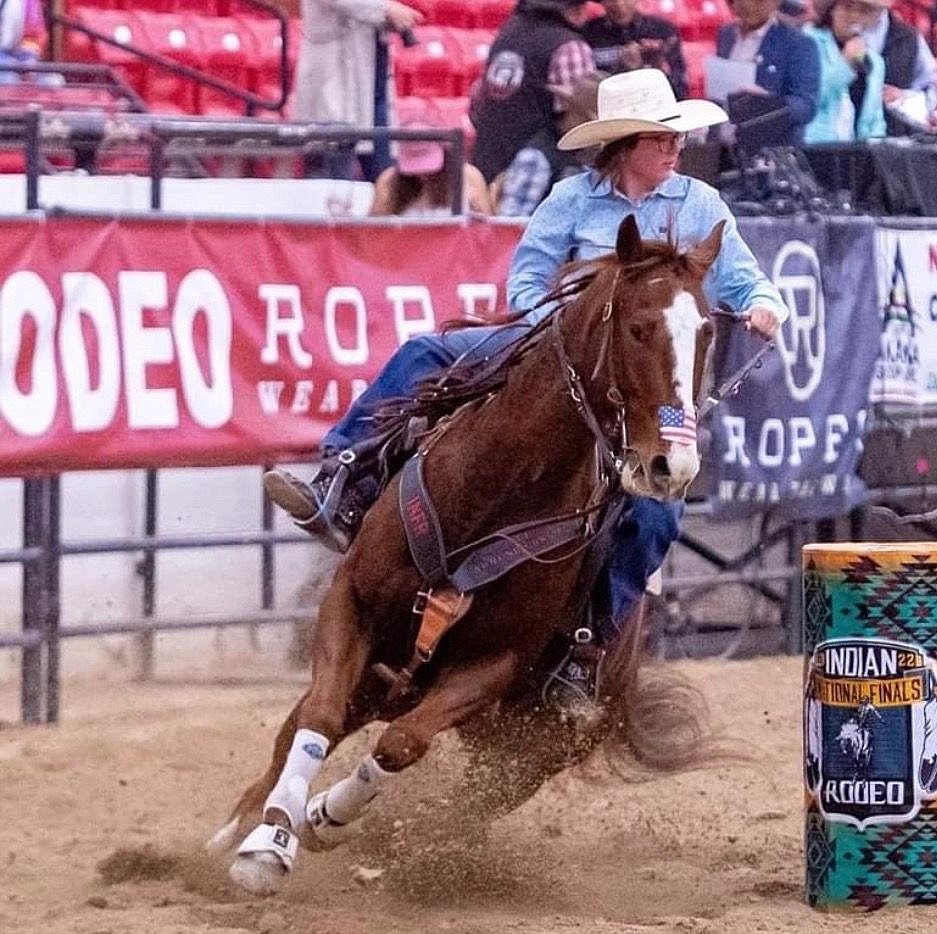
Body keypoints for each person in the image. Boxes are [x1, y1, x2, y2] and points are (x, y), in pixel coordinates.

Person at [264, 69, 787, 709]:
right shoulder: (571, 201)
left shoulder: (701, 206)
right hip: (552, 355)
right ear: (625, 144)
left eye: (675, 136)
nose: (675, 147)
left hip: (639, 388)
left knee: (656, 511)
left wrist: (763, 303)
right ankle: (344, 478)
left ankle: (590, 642)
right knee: (425, 352)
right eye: (660, 137)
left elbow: (742, 279)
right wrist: (553, 337)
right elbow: (529, 278)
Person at [471, 0, 597, 218]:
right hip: (541, 174)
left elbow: (476, 106)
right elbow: (582, 110)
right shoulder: (569, 46)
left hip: (489, 166)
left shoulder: (505, 36)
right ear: (575, 10)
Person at [294, 0, 424, 181]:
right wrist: (385, 9)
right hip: (336, 79)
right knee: (332, 178)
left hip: (373, 82)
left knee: (385, 179)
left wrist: (389, 16)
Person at [714, 0, 820, 146]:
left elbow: (806, 106)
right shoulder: (726, 34)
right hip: (724, 145)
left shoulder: (798, 43)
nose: (748, 4)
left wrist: (768, 103)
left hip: (768, 152)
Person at [369, 118, 493, 216]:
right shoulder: (388, 183)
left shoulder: (469, 177)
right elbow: (375, 234)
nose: (422, 174)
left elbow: (488, 235)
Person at [803, 0, 887, 143]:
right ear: (832, 8)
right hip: (813, 149)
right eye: (848, 7)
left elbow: (875, 121)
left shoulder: (875, 62)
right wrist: (845, 65)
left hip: (857, 157)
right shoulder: (807, 42)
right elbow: (806, 100)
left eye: (864, 11)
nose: (855, 16)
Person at [855, 0, 937, 131]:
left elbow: (930, 91)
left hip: (897, 141)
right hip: (837, 143)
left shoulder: (910, 37)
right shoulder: (829, 35)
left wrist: (904, 98)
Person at [581, 0, 688, 100]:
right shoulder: (588, 33)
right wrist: (621, 67)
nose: (619, 5)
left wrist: (655, 65)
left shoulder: (662, 30)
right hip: (611, 110)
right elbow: (586, 92)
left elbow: (680, 90)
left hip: (655, 104)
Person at [0, 0, 44, 85]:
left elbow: (34, 36)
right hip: (5, 64)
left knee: (53, 81)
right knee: (8, 78)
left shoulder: (30, 2)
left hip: (21, 56)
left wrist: (28, 61)